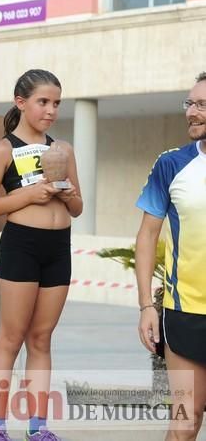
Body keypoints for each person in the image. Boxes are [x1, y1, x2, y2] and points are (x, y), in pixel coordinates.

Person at [0, 69, 83, 440]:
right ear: (21, 102)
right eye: (43, 102)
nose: (50, 110)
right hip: (21, 245)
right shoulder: (4, 149)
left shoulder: (62, 149)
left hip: (58, 249)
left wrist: (66, 194)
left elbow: (78, 207)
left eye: (56, 103)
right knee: (11, 336)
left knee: (41, 338)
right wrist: (28, 195)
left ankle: (38, 427)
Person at [135, 73, 206, 441]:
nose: (192, 113)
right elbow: (147, 236)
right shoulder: (171, 164)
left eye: (202, 105)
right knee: (185, 419)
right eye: (189, 104)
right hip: (184, 314)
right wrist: (147, 305)